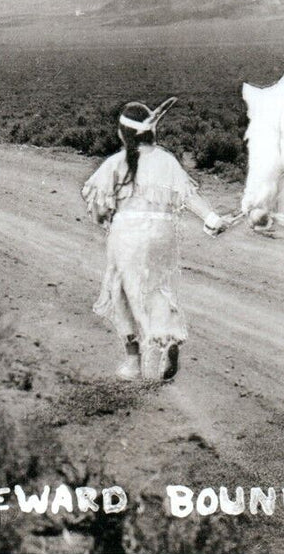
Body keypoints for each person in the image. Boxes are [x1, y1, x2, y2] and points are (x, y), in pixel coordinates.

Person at [81, 97, 229, 382]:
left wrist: (104, 219)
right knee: (159, 288)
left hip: (127, 235)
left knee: (121, 291)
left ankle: (133, 361)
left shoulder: (115, 163)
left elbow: (99, 208)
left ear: (123, 134)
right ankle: (167, 339)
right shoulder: (167, 161)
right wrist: (211, 218)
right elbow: (188, 195)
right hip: (163, 234)